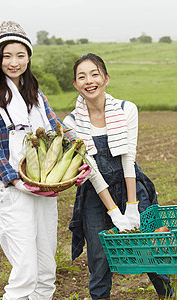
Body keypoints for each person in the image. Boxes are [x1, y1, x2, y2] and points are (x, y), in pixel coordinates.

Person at [63, 53, 174, 300]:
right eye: (82, 76)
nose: (89, 81)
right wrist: (113, 211)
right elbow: (90, 170)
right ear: (75, 84)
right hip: (95, 193)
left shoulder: (126, 109)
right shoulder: (70, 123)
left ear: (106, 78)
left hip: (130, 183)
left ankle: (167, 294)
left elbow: (128, 158)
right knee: (99, 258)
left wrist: (132, 205)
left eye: (95, 74)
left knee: (149, 248)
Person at [0, 21, 69, 300]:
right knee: (25, 271)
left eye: (20, 55)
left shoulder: (37, 97)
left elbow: (57, 131)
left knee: (46, 268)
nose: (13, 62)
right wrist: (18, 181)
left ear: (28, 57)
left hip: (44, 191)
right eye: (6, 56)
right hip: (15, 192)